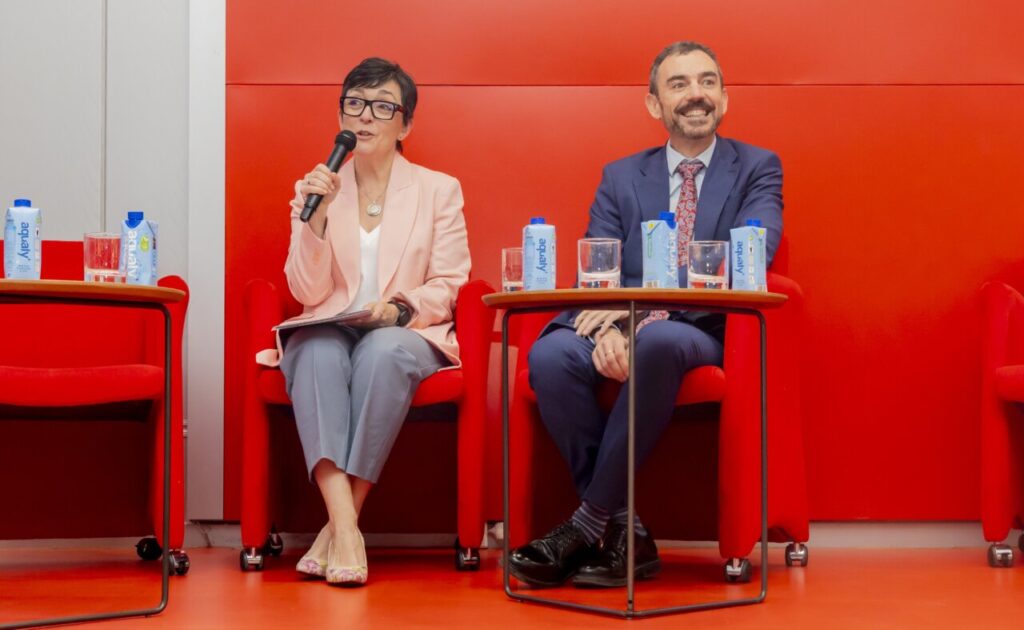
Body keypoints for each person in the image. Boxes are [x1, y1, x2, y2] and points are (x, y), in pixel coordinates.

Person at [508, 41, 783, 588]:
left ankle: (583, 524)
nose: (696, 95)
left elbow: (752, 255)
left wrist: (635, 321)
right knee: (553, 352)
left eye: (707, 82)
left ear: (724, 99)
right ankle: (625, 531)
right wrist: (613, 323)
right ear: (654, 105)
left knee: (657, 343)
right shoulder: (620, 175)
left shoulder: (757, 167)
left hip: (701, 328)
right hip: (621, 318)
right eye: (679, 84)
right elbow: (599, 266)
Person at [272, 57, 470, 586]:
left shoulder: (438, 190)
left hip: (403, 330)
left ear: (405, 124)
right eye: (354, 104)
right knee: (313, 350)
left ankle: (339, 527)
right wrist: (312, 219)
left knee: (383, 352)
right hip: (331, 324)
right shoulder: (318, 188)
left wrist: (400, 309)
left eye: (383, 107)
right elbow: (306, 292)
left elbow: (451, 283)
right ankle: (347, 527)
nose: (365, 117)